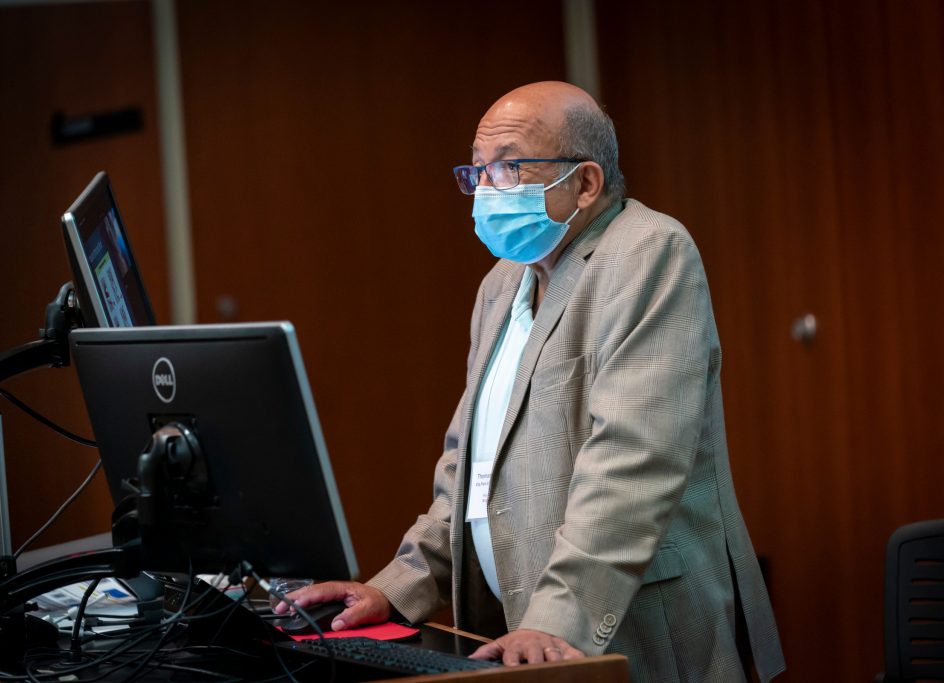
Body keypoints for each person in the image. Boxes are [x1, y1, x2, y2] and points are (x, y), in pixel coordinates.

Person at [276, 81, 786, 682]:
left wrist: (558, 620)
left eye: (510, 167)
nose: (487, 189)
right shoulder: (501, 283)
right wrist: (393, 588)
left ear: (586, 183)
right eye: (478, 170)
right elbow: (469, 467)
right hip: (519, 628)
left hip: (630, 626)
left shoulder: (649, 251)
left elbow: (632, 461)